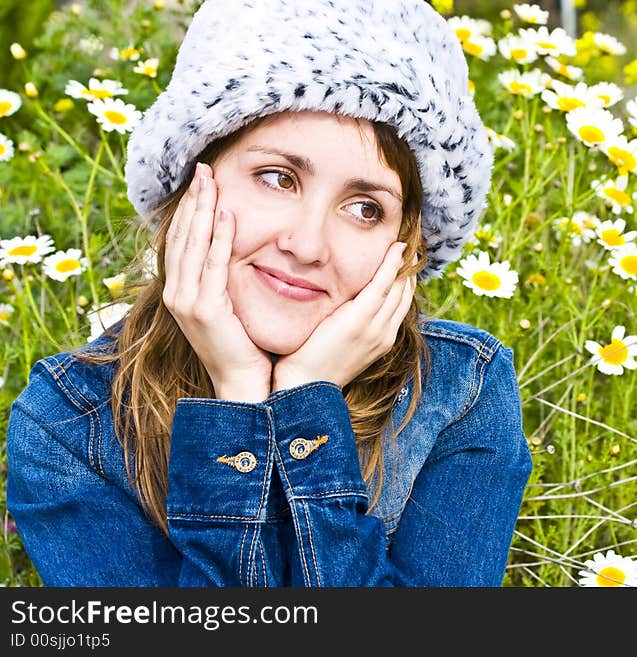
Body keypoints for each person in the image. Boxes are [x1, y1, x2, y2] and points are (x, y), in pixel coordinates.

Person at [5, 0, 532, 586]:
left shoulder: (460, 394)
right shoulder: (68, 426)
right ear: (190, 182)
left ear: (404, 247)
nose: (307, 245)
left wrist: (308, 401)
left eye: (365, 209)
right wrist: (237, 405)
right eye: (278, 178)